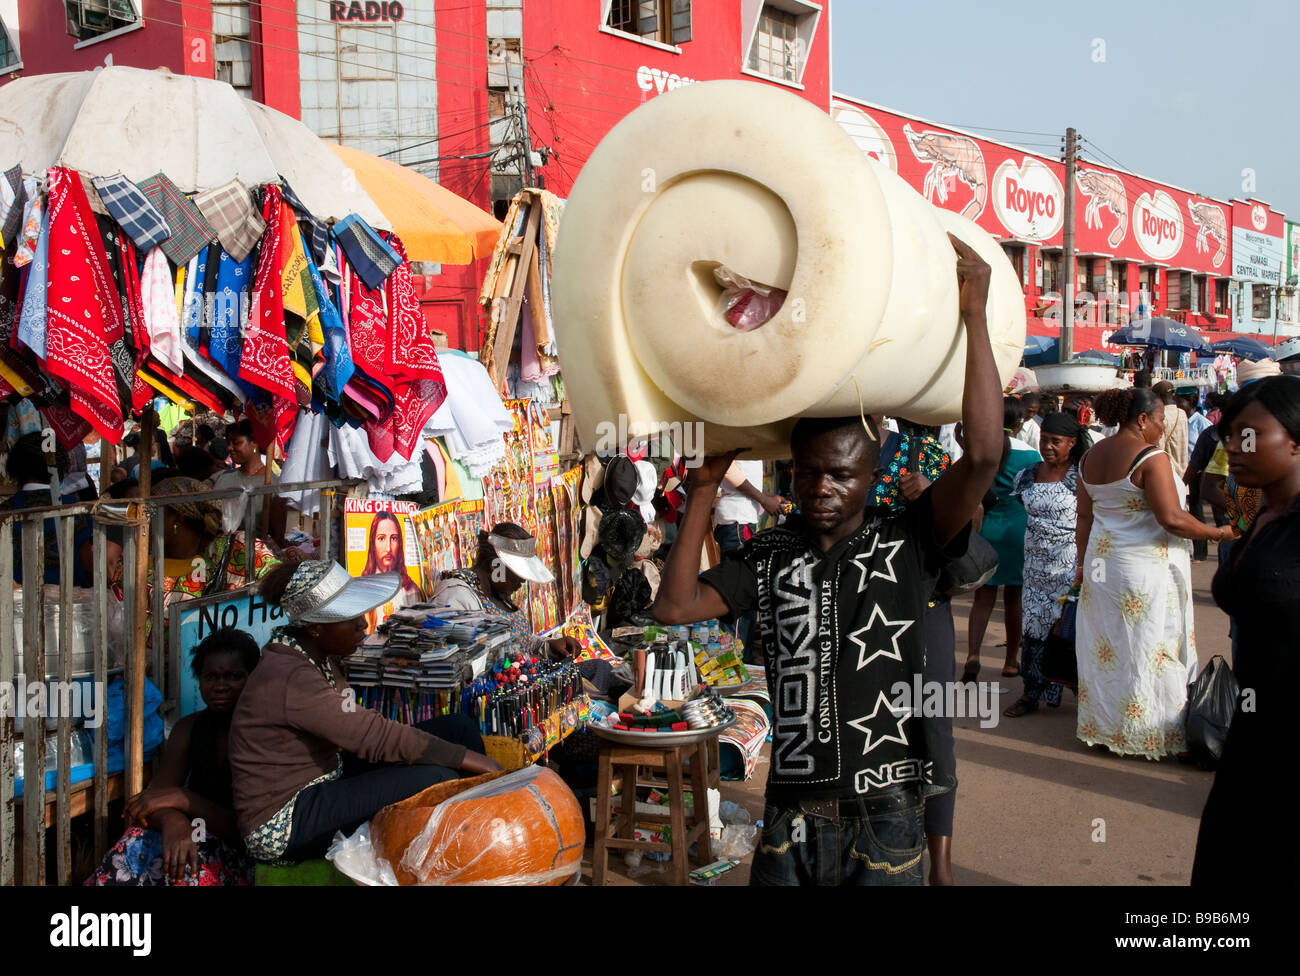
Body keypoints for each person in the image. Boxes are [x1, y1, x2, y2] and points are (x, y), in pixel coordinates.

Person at [652, 234, 1004, 887]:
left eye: (840, 475)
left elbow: (983, 456)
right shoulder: (773, 552)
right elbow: (674, 607)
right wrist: (703, 489)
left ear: (871, 477)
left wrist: (974, 315)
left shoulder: (908, 540)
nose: (821, 490)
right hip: (792, 809)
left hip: (886, 813)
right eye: (808, 474)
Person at [230, 560, 500, 862]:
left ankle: (481, 827)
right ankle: (463, 854)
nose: (363, 625)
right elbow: (373, 736)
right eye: (350, 618)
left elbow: (362, 729)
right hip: (287, 818)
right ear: (317, 628)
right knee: (436, 777)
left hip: (328, 776)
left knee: (458, 728)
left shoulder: (315, 655)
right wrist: (480, 764)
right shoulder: (289, 674)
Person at [1074, 388, 1234, 759]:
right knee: (1151, 644)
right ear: (1143, 419)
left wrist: (1082, 565)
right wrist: (1219, 533)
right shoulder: (1151, 457)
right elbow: (1172, 518)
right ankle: (1147, 731)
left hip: (1103, 567)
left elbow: (1084, 518)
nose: (1163, 428)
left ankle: (1105, 727)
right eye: (1161, 420)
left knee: (1107, 647)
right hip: (1143, 569)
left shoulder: (1090, 455)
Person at [1191, 376, 1300, 885]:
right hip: (1252, 727)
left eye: (1248, 436)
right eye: (1230, 434)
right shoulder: (1260, 514)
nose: (1233, 447)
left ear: (1297, 439)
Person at [89, 628, 261, 886]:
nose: (221, 686)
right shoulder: (189, 728)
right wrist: (174, 820)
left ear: (252, 679)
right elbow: (149, 802)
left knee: (186, 874)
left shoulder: (264, 734)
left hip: (241, 854)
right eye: (210, 677)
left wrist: (184, 798)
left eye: (234, 677)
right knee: (135, 844)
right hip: (194, 833)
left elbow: (248, 833)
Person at [874, 421, 958, 885]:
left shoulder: (922, 454)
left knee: (934, 730)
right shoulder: (829, 452)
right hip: (853, 613)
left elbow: (967, 520)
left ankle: (939, 866)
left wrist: (931, 494)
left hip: (923, 610)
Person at [1003, 414, 1090, 718]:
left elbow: (1091, 519)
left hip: (1070, 566)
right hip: (1035, 568)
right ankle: (1031, 693)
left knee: (1071, 630)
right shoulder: (1028, 474)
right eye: (1044, 440)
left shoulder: (1082, 476)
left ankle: (1084, 697)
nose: (1048, 447)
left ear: (1072, 443)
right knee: (1034, 630)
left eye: (1056, 441)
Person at [139, 477, 279, 658]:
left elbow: (280, 577)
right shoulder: (142, 562)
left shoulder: (234, 548)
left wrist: (244, 594)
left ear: (177, 517)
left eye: (153, 512)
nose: (145, 519)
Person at [962, 398, 1041, 683]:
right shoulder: (1031, 454)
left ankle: (973, 655)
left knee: (982, 598)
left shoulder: (982, 448)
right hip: (1018, 529)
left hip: (986, 528)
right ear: (1020, 424)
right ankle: (1010, 661)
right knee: (1014, 599)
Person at [428, 523, 582, 661]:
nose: (522, 582)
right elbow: (451, 659)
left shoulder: (498, 595)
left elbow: (522, 643)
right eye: (515, 575)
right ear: (494, 568)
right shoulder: (455, 597)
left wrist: (549, 646)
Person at [0, 432, 94, 587]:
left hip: (13, 603)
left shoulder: (4, 510)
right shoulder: (75, 508)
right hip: (70, 600)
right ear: (60, 467)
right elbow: (88, 565)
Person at [713, 459, 782, 657]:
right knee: (740, 592)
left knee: (747, 593)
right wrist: (763, 499)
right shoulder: (737, 437)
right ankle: (736, 659)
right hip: (737, 521)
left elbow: (739, 481)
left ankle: (743, 657)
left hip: (739, 520)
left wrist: (768, 497)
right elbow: (727, 469)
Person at [210, 419, 286, 546]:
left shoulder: (273, 484)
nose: (229, 448)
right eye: (228, 443)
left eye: (236, 443)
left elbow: (278, 536)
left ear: (254, 443)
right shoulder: (224, 478)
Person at [362, 511, 425, 631]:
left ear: (400, 544)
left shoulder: (410, 589)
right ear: (372, 543)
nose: (388, 548)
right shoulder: (363, 588)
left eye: (394, 538)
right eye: (381, 538)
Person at [1152, 381, 1189, 485]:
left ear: (1158, 396)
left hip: (1169, 476)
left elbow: (1159, 449)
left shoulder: (1161, 416)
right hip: (1183, 473)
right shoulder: (1182, 413)